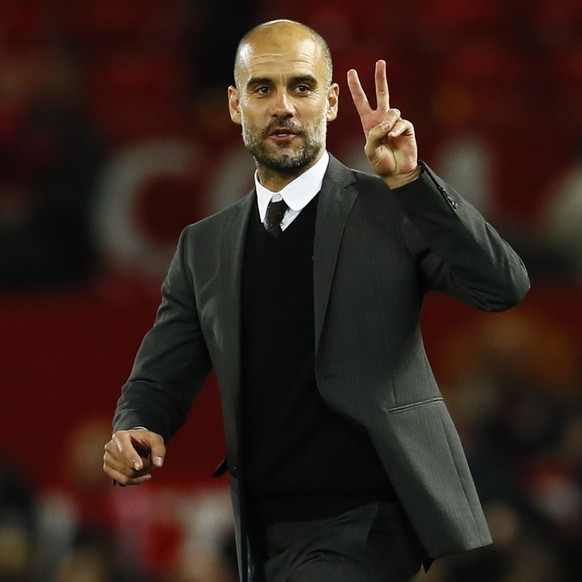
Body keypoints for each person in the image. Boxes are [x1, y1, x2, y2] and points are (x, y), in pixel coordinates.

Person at [103, 19, 530, 582]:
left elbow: (503, 285)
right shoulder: (202, 247)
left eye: (301, 87)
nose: (283, 106)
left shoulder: (391, 208)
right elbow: (161, 377)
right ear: (235, 105)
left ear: (330, 103)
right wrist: (135, 426)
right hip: (263, 534)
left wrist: (414, 184)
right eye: (263, 89)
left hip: (372, 518)